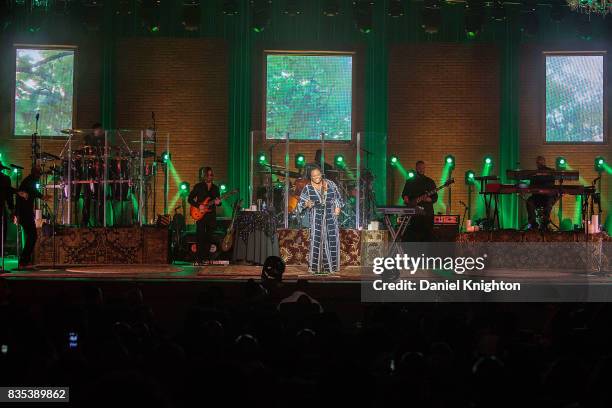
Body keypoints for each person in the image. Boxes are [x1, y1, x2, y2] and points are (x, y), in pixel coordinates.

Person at [297, 167, 344, 274]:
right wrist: (306, 204)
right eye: (313, 176)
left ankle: (332, 267)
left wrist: (338, 207)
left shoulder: (330, 184)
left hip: (330, 216)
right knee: (316, 241)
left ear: (321, 174)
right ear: (310, 177)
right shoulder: (308, 188)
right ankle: (315, 267)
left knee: (332, 240)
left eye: (318, 175)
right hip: (316, 217)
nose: (316, 177)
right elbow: (300, 205)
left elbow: (338, 197)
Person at [188, 167, 221, 265]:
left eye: (211, 175)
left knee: (209, 238)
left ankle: (206, 258)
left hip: (211, 216)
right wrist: (199, 205)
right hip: (200, 215)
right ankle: (199, 259)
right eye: (208, 175)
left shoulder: (215, 188)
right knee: (200, 237)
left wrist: (218, 203)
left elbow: (218, 202)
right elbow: (189, 199)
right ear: (204, 176)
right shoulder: (198, 186)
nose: (210, 176)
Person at [15, 165, 43, 269]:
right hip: (24, 214)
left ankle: (25, 261)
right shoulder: (30, 180)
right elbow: (33, 191)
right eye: (39, 174)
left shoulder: (28, 180)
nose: (40, 176)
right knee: (33, 235)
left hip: (25, 213)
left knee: (31, 236)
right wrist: (42, 196)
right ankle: (24, 261)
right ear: (35, 173)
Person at [402, 160, 437, 242]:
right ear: (416, 168)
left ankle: (427, 254)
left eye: (423, 168)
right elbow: (404, 194)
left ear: (425, 169)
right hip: (414, 213)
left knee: (427, 235)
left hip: (427, 213)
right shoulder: (410, 181)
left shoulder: (430, 181)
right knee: (414, 234)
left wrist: (429, 199)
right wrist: (405, 198)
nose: (421, 169)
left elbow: (435, 197)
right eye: (419, 168)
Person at [81, 123, 106, 226]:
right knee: (87, 197)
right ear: (94, 131)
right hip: (89, 172)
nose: (100, 132)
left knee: (100, 197)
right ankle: (85, 221)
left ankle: (100, 221)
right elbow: (84, 153)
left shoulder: (104, 140)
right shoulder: (88, 139)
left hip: (99, 172)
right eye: (98, 130)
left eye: (101, 130)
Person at [526, 156, 557, 230]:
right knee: (529, 201)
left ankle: (544, 223)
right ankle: (533, 223)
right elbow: (532, 185)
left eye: (540, 162)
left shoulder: (550, 172)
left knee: (548, 203)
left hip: (547, 197)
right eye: (538, 162)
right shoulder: (535, 173)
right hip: (537, 197)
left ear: (544, 162)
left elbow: (551, 183)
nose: (539, 164)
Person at [0, 163, 16, 250]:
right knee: (2, 233)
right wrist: (12, 210)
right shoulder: (5, 178)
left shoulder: (5, 179)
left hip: (2, 208)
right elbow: (9, 197)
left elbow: (9, 196)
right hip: (1, 209)